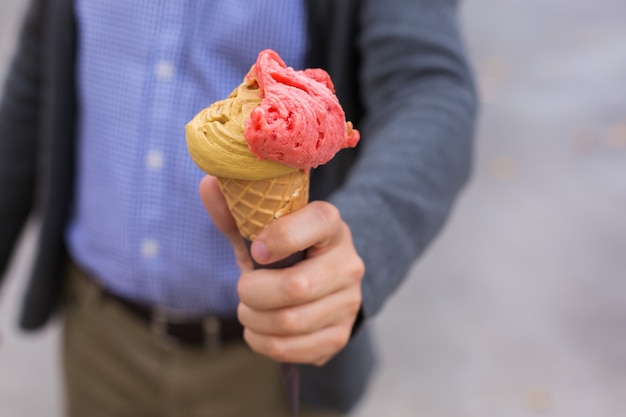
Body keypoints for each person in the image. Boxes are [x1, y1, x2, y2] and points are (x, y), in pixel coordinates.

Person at [0, 0, 476, 416]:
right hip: (98, 337)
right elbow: (37, 78)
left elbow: (428, 90)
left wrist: (363, 234)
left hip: (273, 362)